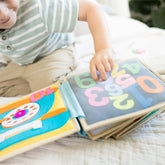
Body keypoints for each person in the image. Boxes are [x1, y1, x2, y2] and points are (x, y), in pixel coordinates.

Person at [0, 0, 114, 96]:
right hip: (20, 60)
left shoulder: (41, 6)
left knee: (53, 90)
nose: (3, 14)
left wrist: (102, 49)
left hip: (54, 51)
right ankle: (32, 82)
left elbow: (91, 9)